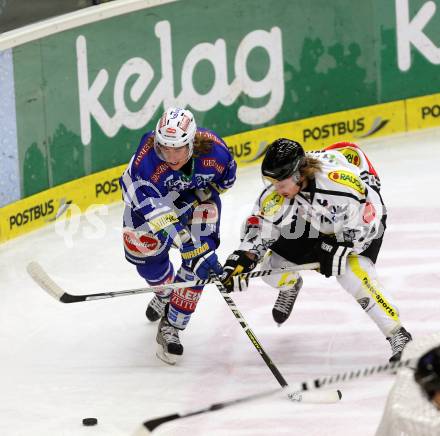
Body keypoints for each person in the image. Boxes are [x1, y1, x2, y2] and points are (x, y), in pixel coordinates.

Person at [221, 138, 412, 362]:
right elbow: (263, 226)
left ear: (297, 175)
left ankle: (398, 334)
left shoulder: (337, 186)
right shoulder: (283, 190)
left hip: (357, 226)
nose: (275, 188)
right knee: (273, 269)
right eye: (272, 182)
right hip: (313, 223)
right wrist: (244, 258)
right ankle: (292, 286)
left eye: (280, 182)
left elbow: (372, 215)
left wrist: (344, 244)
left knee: (353, 276)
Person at [120, 107, 236, 364]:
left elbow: (226, 181)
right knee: (145, 254)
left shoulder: (216, 152)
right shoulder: (146, 160)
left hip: (198, 205)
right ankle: (165, 294)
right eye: (165, 149)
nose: (171, 157)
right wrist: (184, 240)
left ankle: (172, 326)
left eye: (178, 149)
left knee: (199, 264)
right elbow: (142, 200)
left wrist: (196, 197)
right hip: (149, 206)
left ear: (192, 143)